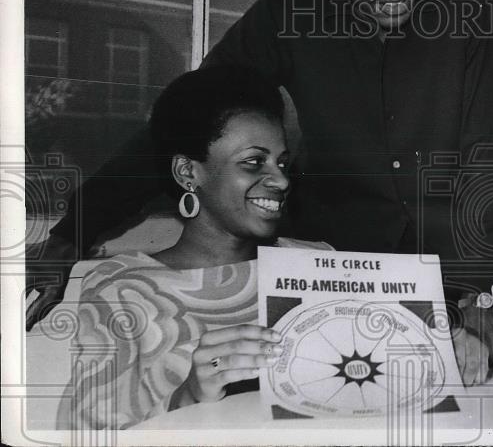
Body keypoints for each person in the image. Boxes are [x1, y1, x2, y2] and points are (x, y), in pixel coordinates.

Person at [28, 0, 493, 366]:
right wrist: (75, 229)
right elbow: (191, 119)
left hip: (452, 277)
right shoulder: (289, 11)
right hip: (337, 272)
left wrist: (476, 297)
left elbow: (491, 161)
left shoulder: (466, 1)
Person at [57, 66, 335, 429]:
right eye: (254, 162)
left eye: (282, 162)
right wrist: (188, 396)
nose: (281, 179)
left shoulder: (320, 263)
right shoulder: (123, 290)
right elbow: (86, 436)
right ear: (188, 172)